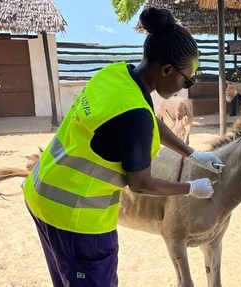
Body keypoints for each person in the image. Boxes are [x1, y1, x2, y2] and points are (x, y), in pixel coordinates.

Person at [21, 7, 224, 287]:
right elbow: (141, 184)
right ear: (166, 69)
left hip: (42, 190)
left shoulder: (117, 75)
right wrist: (190, 188)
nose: (185, 85)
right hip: (76, 217)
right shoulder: (135, 115)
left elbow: (150, 121)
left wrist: (193, 153)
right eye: (186, 79)